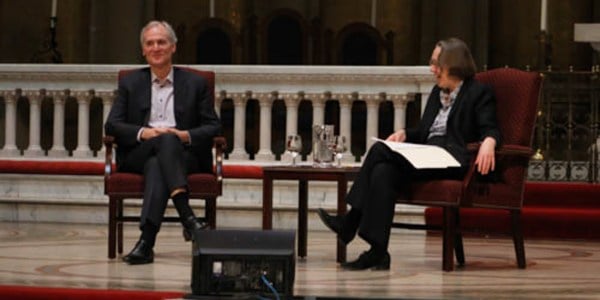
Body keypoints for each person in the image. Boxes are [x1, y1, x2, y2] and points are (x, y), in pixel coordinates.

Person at [317, 37, 501, 270]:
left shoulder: (478, 92)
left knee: (379, 150)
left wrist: (489, 141)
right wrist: (405, 133)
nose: (431, 69)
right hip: (428, 154)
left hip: (453, 159)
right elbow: (426, 132)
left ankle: (350, 221)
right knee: (384, 171)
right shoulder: (437, 92)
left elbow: (491, 127)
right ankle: (378, 252)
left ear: (453, 64)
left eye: (437, 63)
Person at [104, 20, 221, 265]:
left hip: (183, 154)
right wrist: (143, 133)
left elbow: (213, 126)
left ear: (173, 47)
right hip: (138, 152)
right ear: (144, 50)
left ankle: (146, 243)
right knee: (161, 145)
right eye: (150, 43)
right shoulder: (130, 82)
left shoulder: (195, 83)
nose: (156, 47)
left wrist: (183, 135)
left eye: (161, 42)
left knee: (160, 159)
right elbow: (112, 125)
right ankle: (187, 216)